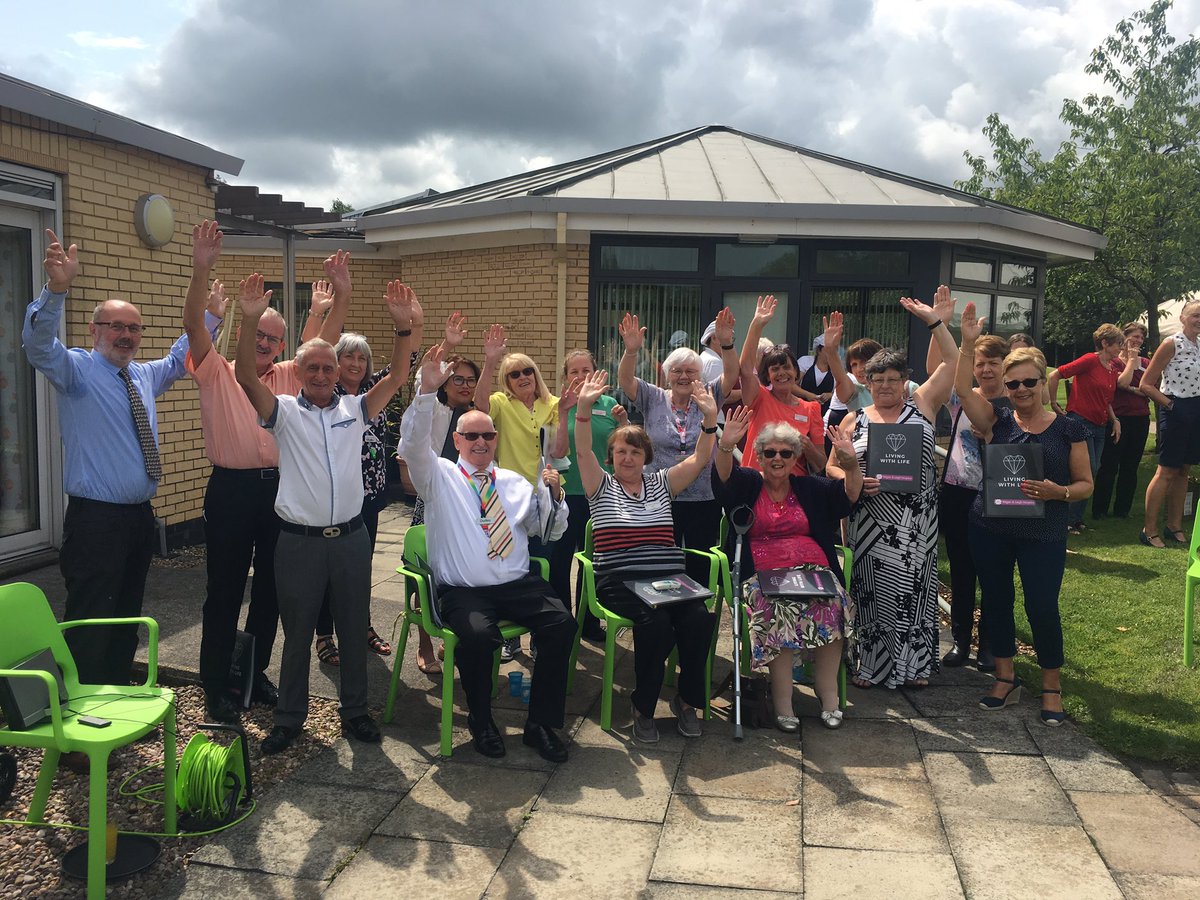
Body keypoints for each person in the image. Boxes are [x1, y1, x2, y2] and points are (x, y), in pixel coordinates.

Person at [22, 228, 215, 686]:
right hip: (95, 523)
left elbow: (178, 358)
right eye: (116, 327)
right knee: (91, 616)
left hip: (136, 520)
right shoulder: (75, 370)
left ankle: (115, 697)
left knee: (127, 613)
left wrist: (208, 316)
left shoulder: (143, 375)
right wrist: (56, 290)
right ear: (94, 330)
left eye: (133, 328)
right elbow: (36, 346)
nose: (126, 336)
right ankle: (79, 722)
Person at [236, 274, 415, 755]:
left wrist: (403, 331)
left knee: (355, 627)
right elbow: (245, 376)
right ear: (300, 372)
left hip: (351, 539)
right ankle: (290, 719)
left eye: (326, 368)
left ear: (338, 372)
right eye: (310, 367)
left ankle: (355, 712)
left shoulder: (356, 410)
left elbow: (398, 377)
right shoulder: (283, 413)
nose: (318, 375)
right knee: (297, 634)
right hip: (298, 542)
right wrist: (250, 317)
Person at [185, 220, 350, 723]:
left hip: (279, 491)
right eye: (259, 333)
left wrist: (338, 297)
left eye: (274, 339)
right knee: (225, 590)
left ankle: (252, 675)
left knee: (271, 594)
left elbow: (327, 341)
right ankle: (216, 684)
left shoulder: (285, 375)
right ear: (244, 330)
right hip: (232, 491)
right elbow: (194, 323)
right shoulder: (213, 367)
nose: (266, 344)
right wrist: (200, 266)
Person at [400, 342, 574, 762]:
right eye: (471, 435)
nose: (480, 441)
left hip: (517, 583)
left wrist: (554, 497)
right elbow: (413, 444)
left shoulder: (514, 482)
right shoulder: (438, 477)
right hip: (465, 591)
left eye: (487, 435)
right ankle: (480, 718)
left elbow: (545, 529)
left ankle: (540, 724)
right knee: (478, 637)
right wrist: (426, 392)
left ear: (496, 439)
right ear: (457, 440)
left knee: (562, 625)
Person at [955, 302, 1092, 726]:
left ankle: (1052, 686)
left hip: (1044, 532)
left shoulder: (1069, 427)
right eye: (1013, 384)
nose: (1021, 389)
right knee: (996, 601)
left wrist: (1059, 492)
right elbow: (963, 391)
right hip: (990, 527)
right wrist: (966, 343)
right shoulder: (995, 418)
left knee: (1041, 606)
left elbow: (1086, 484)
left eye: (1029, 381)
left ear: (1042, 379)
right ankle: (1005, 677)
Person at [573, 369, 719, 743]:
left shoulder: (661, 483)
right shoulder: (599, 484)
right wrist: (584, 411)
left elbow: (702, 458)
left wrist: (708, 420)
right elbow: (582, 449)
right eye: (621, 451)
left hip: (669, 582)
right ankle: (643, 706)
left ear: (646, 457)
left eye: (635, 451)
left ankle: (688, 702)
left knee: (700, 619)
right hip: (620, 582)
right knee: (655, 626)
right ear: (611, 457)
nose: (627, 457)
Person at [826, 286, 958, 689]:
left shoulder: (924, 406)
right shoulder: (854, 419)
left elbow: (954, 359)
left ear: (905, 381)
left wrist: (935, 322)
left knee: (914, 591)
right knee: (870, 592)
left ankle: (914, 666)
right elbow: (830, 468)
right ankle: (872, 664)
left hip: (916, 522)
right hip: (868, 519)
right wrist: (851, 476)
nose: (884, 386)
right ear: (867, 380)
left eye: (892, 379)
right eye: (877, 379)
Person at [713, 407, 862, 730]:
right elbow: (724, 476)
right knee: (774, 608)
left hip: (813, 570)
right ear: (760, 456)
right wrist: (726, 445)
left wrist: (850, 464)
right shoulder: (748, 483)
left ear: (795, 455)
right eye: (770, 453)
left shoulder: (810, 488)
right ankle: (783, 699)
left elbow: (850, 494)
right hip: (761, 574)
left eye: (785, 452)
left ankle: (829, 695)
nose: (777, 458)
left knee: (833, 603)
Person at [312, 320, 426, 668]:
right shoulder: (328, 396)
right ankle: (325, 635)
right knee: (330, 570)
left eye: (362, 358)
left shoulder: (374, 389)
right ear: (336, 361)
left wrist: (412, 322)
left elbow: (407, 362)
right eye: (348, 357)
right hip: (336, 499)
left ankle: (361, 626)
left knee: (361, 568)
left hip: (371, 496)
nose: (356, 364)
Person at [617, 309, 737, 581]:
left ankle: (695, 615)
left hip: (702, 496)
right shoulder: (653, 396)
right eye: (678, 371)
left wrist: (727, 344)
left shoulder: (709, 395)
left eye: (691, 372)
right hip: (659, 496)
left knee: (699, 563)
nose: (684, 377)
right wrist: (632, 351)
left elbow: (731, 373)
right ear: (668, 374)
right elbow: (625, 381)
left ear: (701, 375)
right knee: (660, 564)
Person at [925, 306, 1012, 670]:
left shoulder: (1018, 399)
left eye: (994, 362)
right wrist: (938, 325)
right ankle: (961, 641)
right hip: (960, 494)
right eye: (981, 363)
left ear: (1006, 365)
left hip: (1001, 496)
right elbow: (935, 369)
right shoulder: (962, 397)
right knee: (962, 573)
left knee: (996, 574)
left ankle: (990, 645)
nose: (987, 369)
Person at [474, 325, 561, 661]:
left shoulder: (552, 403)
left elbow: (560, 447)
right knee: (509, 567)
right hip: (508, 501)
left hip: (544, 499)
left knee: (541, 568)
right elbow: (479, 406)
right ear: (506, 381)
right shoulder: (500, 402)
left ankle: (539, 634)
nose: (522, 377)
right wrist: (491, 361)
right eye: (513, 374)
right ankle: (510, 637)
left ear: (536, 374)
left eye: (527, 371)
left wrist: (569, 410)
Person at [404, 311, 477, 673]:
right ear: (447, 383)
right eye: (457, 379)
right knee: (426, 572)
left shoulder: (478, 420)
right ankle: (424, 642)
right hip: (432, 500)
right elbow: (424, 380)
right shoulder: (435, 409)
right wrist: (447, 344)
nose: (464, 386)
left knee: (459, 572)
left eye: (470, 380)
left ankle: (456, 633)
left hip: (466, 506)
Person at [547, 349, 628, 642]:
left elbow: (622, 448)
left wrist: (623, 423)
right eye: (574, 371)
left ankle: (588, 621)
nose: (581, 376)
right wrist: (565, 411)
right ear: (565, 377)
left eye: (586, 370)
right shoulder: (557, 405)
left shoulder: (609, 404)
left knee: (593, 561)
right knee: (559, 560)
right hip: (566, 494)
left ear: (596, 372)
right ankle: (560, 622)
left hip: (600, 494)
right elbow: (553, 451)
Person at [736, 295, 827, 475]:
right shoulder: (759, 398)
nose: (781, 373)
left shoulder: (811, 408)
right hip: (757, 485)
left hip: (793, 489)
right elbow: (745, 369)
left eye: (787, 367)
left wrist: (807, 447)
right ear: (768, 376)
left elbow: (820, 464)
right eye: (775, 369)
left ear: (795, 372)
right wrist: (757, 325)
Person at [1047, 324, 1125, 533]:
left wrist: (1115, 419)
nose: (1121, 348)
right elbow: (1056, 375)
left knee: (1093, 470)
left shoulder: (1113, 366)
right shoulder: (1090, 360)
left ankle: (1076, 519)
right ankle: (1067, 520)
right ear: (1105, 343)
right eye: (1118, 344)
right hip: (1081, 421)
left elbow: (1105, 399)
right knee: (1087, 469)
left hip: (1100, 425)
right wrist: (1054, 403)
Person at [1140, 299, 1200, 547]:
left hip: (1196, 409)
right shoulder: (1170, 343)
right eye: (1196, 315)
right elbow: (1145, 384)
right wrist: (1171, 406)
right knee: (1166, 470)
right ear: (1183, 318)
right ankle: (1149, 529)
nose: (1199, 320)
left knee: (1184, 470)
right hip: (1175, 408)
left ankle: (1174, 525)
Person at [1093, 322, 1151, 521]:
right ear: (1123, 337)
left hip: (1141, 418)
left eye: (1141, 338)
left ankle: (1122, 510)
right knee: (1109, 465)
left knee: (1130, 466)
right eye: (1134, 336)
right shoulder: (1113, 361)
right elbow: (1121, 383)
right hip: (1118, 418)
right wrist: (1131, 364)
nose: (1137, 340)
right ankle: (1100, 509)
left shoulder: (1146, 362)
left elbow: (1151, 386)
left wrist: (1134, 388)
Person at [797, 335, 837, 411]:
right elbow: (792, 385)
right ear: (819, 350)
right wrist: (807, 394)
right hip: (803, 408)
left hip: (824, 412)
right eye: (828, 350)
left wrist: (831, 395)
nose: (832, 353)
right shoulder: (805, 362)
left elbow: (841, 391)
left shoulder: (836, 368)